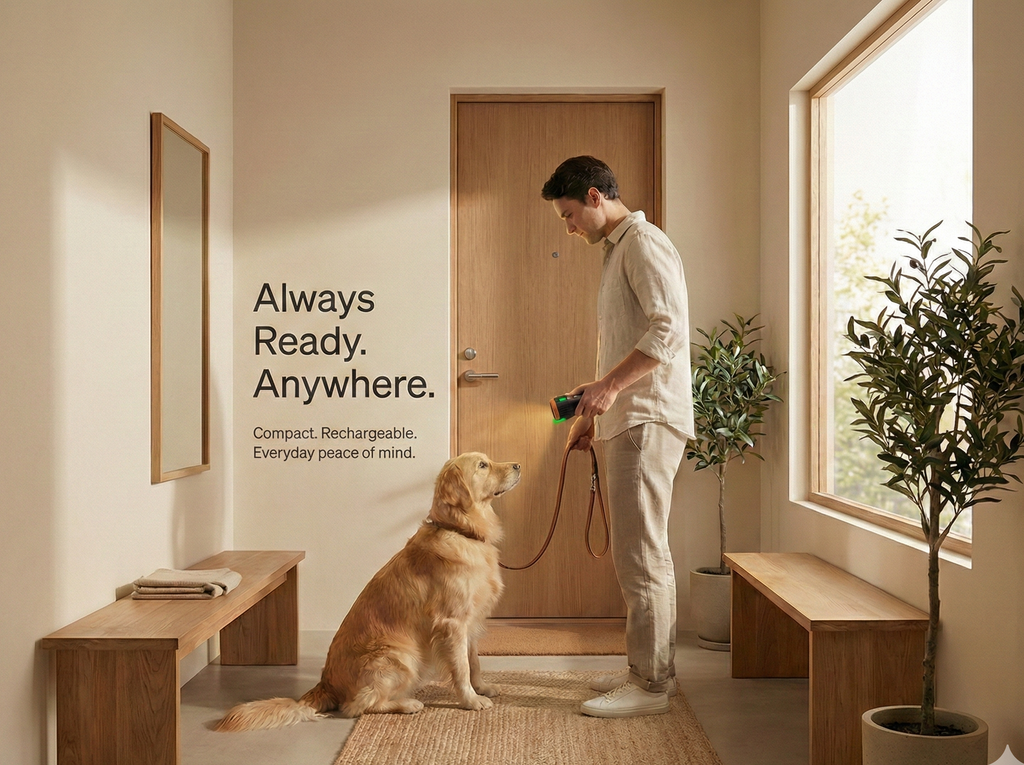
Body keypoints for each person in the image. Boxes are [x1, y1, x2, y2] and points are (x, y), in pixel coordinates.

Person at [541, 156, 694, 718]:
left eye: (570, 214)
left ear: (594, 196)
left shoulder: (645, 243)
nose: (569, 227)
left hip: (647, 419)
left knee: (642, 550)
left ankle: (651, 687)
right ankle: (645, 669)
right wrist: (593, 405)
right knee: (635, 550)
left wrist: (609, 388)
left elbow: (670, 331)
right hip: (627, 418)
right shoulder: (619, 250)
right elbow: (633, 343)